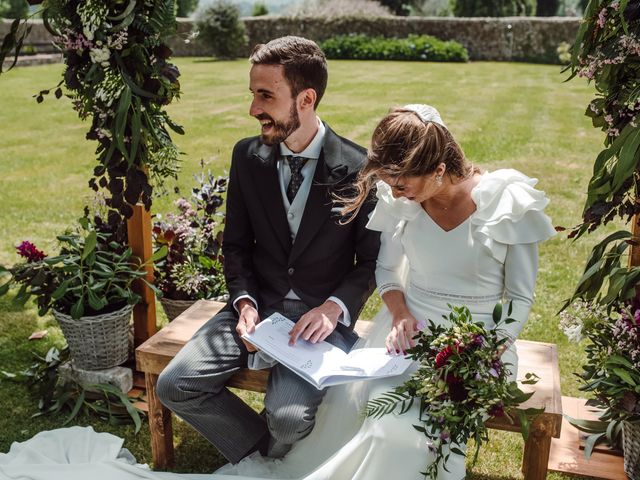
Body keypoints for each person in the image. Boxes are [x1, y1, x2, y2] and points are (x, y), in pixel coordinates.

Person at [213, 104, 556, 479]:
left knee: (421, 438)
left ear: (439, 169)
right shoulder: (401, 201)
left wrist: (484, 352)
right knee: (381, 422)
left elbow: (520, 299)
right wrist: (400, 313)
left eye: (402, 184)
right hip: (405, 341)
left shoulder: (504, 202)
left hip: (481, 351)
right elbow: (388, 272)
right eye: (390, 183)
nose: (392, 192)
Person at [155, 36, 380, 465]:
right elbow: (236, 245)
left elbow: (370, 263)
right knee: (174, 385)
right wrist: (243, 302)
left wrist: (333, 308)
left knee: (290, 419)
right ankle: (263, 460)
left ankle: (272, 451)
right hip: (254, 312)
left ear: (306, 98)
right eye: (253, 94)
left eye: (266, 96)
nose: (253, 109)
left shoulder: (359, 169)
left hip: (320, 324)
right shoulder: (247, 156)